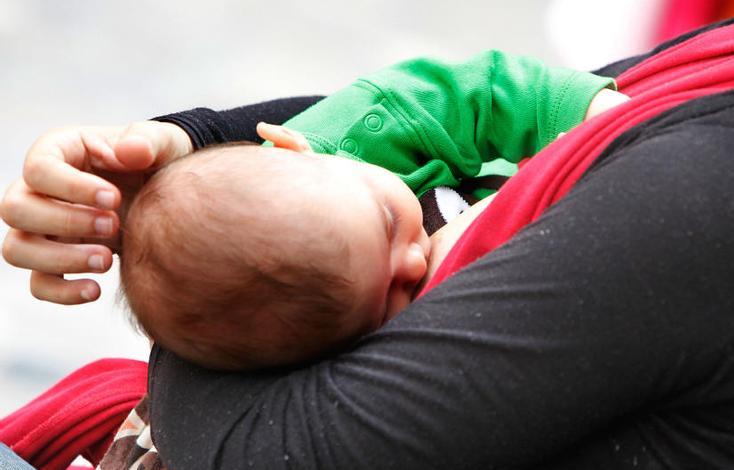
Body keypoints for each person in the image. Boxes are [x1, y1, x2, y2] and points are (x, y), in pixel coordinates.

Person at [4, 2, 734, 470]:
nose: (420, 258)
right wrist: (175, 154)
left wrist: (207, 269)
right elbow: (491, 104)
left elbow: (269, 465)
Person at [120, 52, 619, 370]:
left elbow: (482, 93)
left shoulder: (349, 137)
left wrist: (592, 116)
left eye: (388, 223)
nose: (414, 263)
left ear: (297, 148)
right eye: (386, 303)